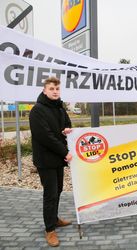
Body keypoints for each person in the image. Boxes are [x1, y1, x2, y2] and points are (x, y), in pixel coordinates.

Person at [29, 76, 72, 247]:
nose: (55, 92)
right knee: (51, 194)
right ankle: (49, 230)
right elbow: (45, 137)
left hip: (57, 159)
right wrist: (65, 151)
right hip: (45, 160)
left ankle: (54, 219)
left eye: (57, 89)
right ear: (44, 90)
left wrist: (67, 130)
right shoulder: (37, 110)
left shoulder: (60, 108)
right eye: (51, 89)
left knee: (59, 190)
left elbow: (66, 125)